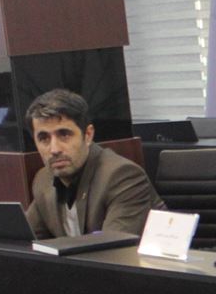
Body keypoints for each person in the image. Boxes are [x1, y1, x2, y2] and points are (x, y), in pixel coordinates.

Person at [24, 89, 162, 238]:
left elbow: (113, 247)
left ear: (88, 135)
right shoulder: (43, 180)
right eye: (44, 138)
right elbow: (24, 243)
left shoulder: (122, 176)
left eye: (64, 135)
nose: (54, 149)